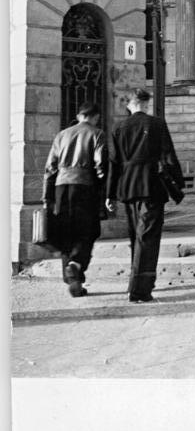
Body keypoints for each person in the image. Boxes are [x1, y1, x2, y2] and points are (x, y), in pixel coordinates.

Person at [105, 88, 185, 303]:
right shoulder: (157, 124)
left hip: (127, 187)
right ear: (146, 103)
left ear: (129, 104)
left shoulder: (118, 127)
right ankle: (140, 288)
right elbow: (169, 156)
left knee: (136, 237)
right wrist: (179, 181)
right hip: (151, 185)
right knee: (148, 237)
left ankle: (137, 281)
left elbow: (113, 163)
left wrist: (110, 194)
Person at [42, 101, 107, 297]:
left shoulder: (61, 135)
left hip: (61, 186)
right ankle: (76, 264)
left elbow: (50, 168)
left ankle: (73, 279)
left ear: (79, 116)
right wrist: (104, 191)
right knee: (87, 230)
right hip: (85, 186)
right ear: (95, 117)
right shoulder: (97, 134)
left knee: (65, 229)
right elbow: (101, 165)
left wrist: (46, 196)